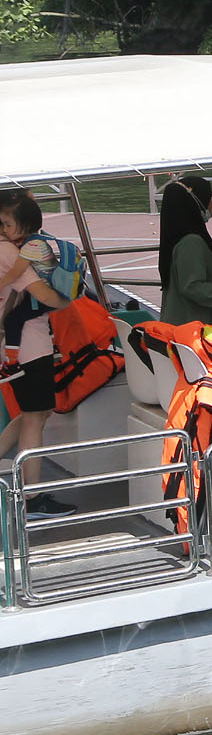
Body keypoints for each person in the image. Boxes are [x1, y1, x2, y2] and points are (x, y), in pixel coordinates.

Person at [0, 190, 76, 516]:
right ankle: (31, 498)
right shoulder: (7, 251)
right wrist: (69, 290)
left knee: (37, 413)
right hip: (28, 349)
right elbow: (43, 294)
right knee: (34, 418)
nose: (4, 229)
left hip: (22, 346)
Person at [157, 176, 212, 327]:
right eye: (211, 197)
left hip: (182, 325)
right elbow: (192, 287)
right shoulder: (191, 242)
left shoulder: (177, 237)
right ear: (197, 201)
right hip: (194, 329)